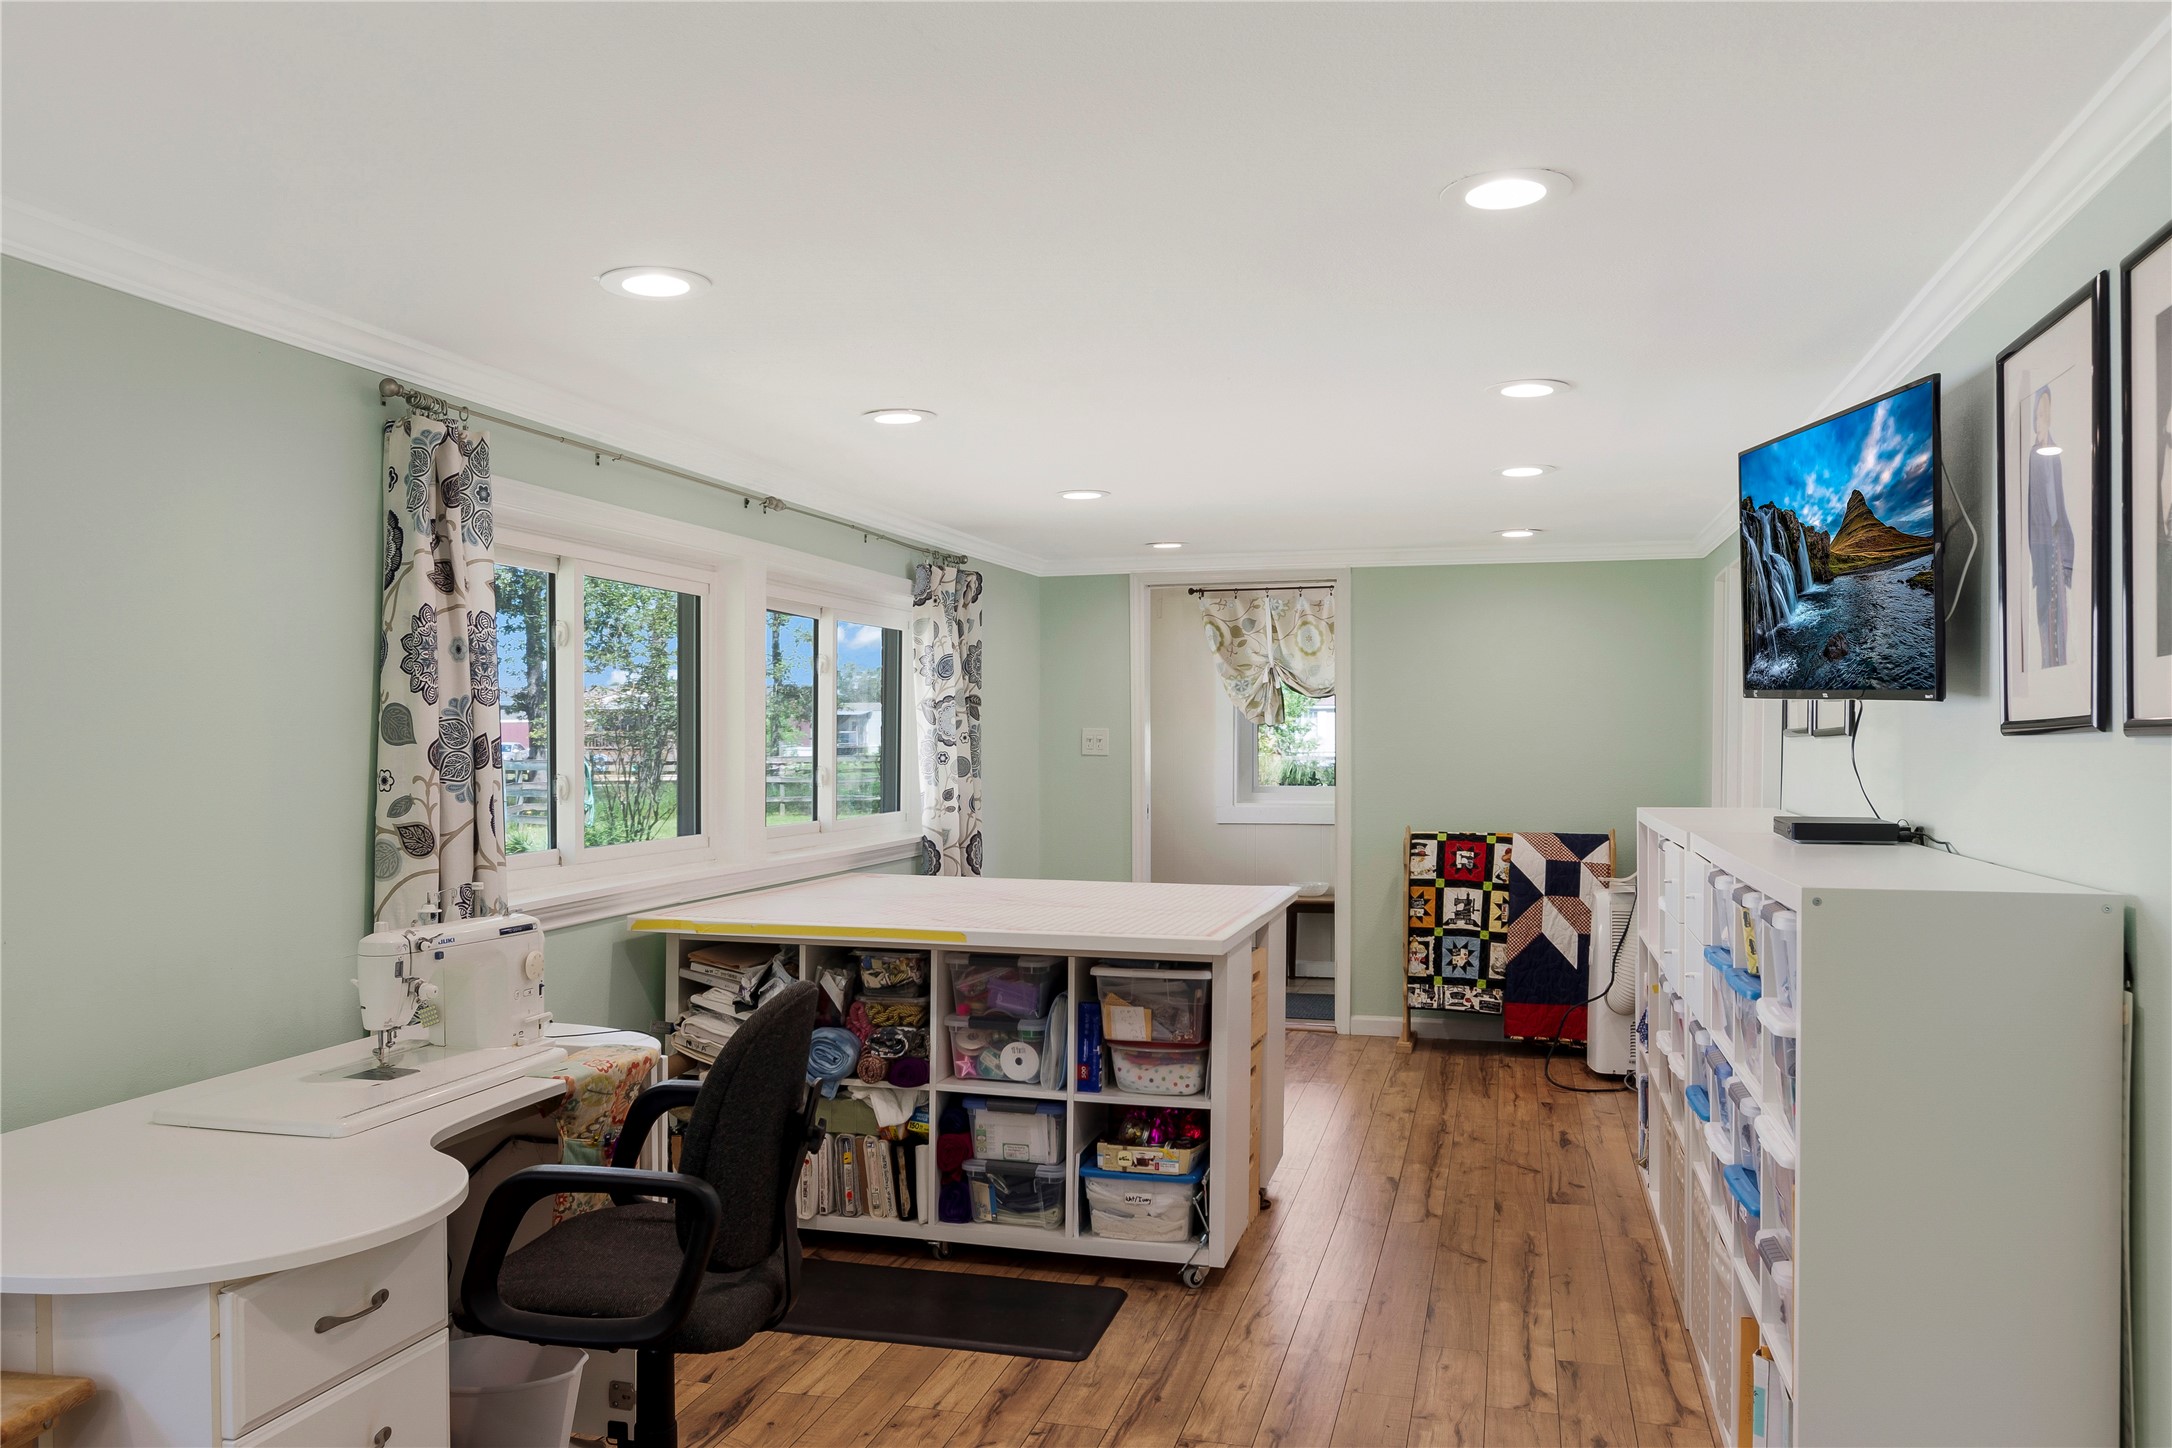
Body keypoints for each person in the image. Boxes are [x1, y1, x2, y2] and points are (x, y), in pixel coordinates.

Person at [2025, 387, 2075, 669]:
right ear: (2034, 416)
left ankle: (2060, 664)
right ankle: (2049, 665)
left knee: (2060, 609)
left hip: (2056, 539)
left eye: (2048, 412)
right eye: (2040, 413)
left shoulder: (2053, 452)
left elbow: (2060, 501)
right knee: (2045, 607)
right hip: (2042, 543)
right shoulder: (2032, 455)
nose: (2043, 418)